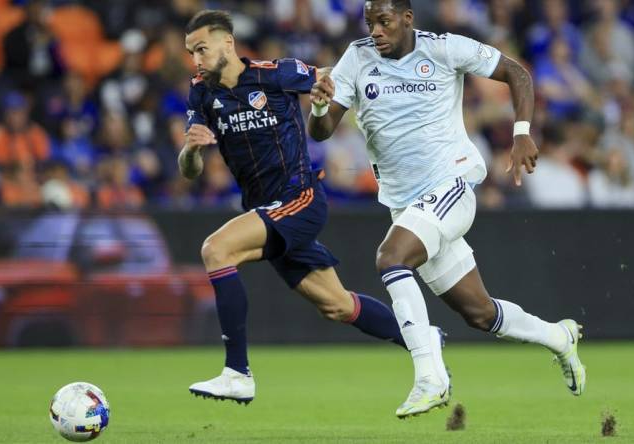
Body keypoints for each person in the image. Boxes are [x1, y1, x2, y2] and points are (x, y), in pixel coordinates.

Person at [308, 0, 586, 419]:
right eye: (369, 22)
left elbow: (517, 72)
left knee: (390, 257)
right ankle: (559, 337)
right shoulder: (357, 57)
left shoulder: (443, 49)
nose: (375, 31)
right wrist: (317, 104)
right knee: (480, 312)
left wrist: (522, 132)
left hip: (450, 185)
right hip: (406, 206)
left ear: (407, 18)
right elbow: (323, 130)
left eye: (383, 22)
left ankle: (430, 377)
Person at [179, 10, 421, 405]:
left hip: (299, 199)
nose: (196, 60)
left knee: (216, 249)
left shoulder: (274, 74)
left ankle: (237, 372)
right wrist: (190, 149)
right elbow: (189, 172)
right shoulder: (201, 93)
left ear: (227, 43)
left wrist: (330, 89)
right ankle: (425, 341)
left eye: (202, 49)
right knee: (338, 305)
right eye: (191, 52)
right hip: (266, 210)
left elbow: (329, 76)